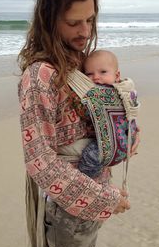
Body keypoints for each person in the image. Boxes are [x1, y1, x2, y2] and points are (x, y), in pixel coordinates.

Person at [17, 0, 140, 247]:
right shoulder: (40, 77)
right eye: (73, 23)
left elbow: (112, 110)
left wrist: (128, 135)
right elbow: (41, 162)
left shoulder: (82, 63)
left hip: (91, 198)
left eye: (90, 20)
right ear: (49, 20)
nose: (85, 31)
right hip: (69, 207)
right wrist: (105, 200)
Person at [59, 49, 140, 178]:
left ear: (117, 76)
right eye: (89, 74)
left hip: (112, 143)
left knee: (90, 157)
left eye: (103, 72)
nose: (96, 77)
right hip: (124, 139)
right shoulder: (125, 89)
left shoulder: (108, 93)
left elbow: (131, 111)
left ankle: (88, 179)